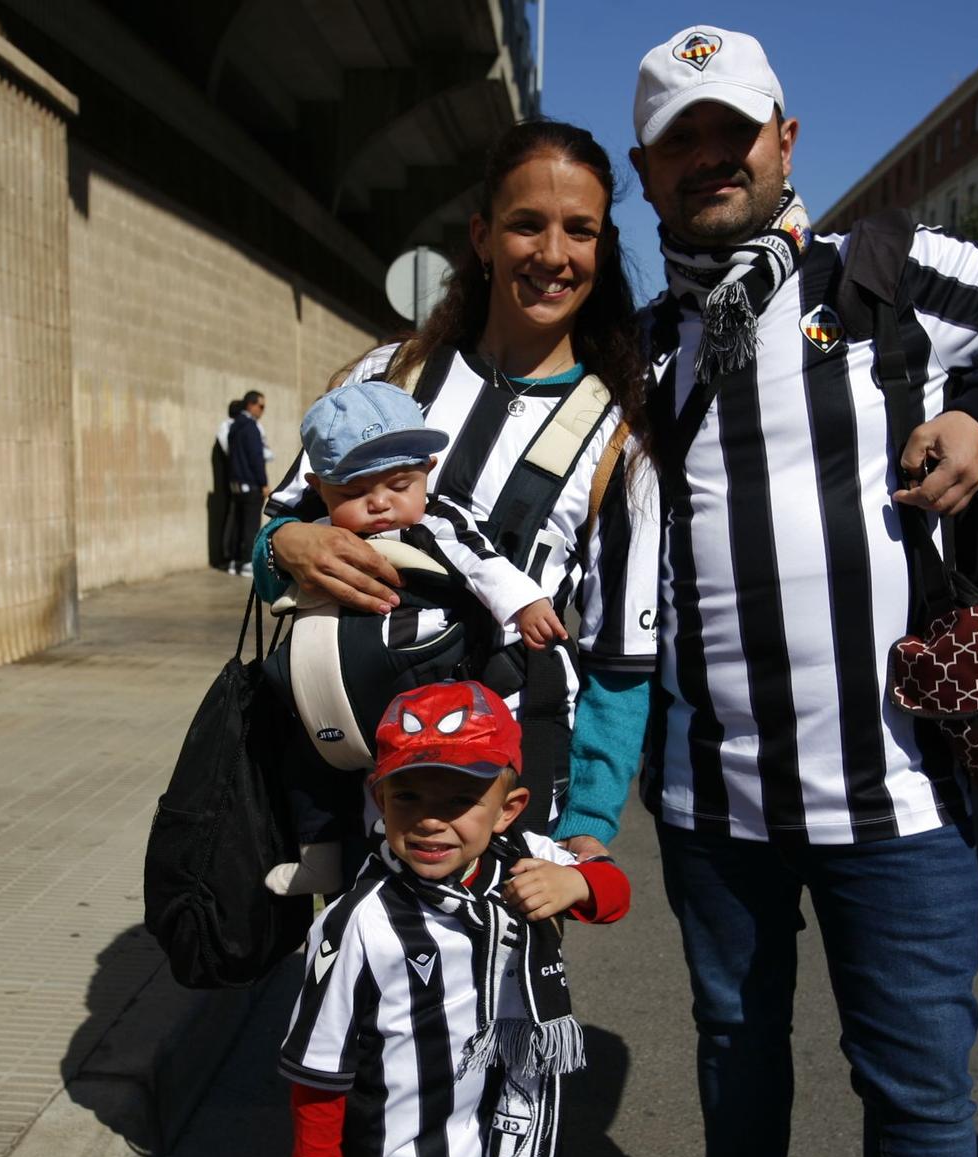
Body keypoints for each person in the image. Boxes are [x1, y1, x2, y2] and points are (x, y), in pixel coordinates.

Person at [625, 27, 978, 1157]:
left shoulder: (887, 270)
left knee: (915, 1086)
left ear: (787, 140)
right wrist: (294, 532)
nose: (711, 158)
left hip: (894, 796)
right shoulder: (646, 348)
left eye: (734, 131)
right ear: (644, 169)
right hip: (709, 793)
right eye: (682, 139)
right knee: (734, 1044)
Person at [255, 119, 660, 852]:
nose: (552, 254)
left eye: (580, 230)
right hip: (357, 781)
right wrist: (289, 543)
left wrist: (592, 826)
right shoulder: (386, 376)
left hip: (506, 803)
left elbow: (619, 659)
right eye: (526, 225)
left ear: (601, 247)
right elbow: (276, 530)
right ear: (481, 237)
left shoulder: (621, 436)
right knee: (358, 964)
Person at [280, 681, 631, 1157]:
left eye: (462, 797)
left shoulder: (524, 861)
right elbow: (319, 1060)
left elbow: (615, 895)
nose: (433, 819)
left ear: (508, 807)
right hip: (407, 1150)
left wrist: (576, 878)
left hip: (492, 1123)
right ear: (378, 798)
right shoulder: (360, 922)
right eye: (409, 795)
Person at [262, 381, 568, 897]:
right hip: (323, 696)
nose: (379, 503)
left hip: (411, 692)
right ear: (319, 487)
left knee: (395, 778)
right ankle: (319, 855)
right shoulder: (318, 535)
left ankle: (386, 857)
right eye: (354, 493)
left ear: (427, 470)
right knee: (303, 766)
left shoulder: (438, 522)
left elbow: (484, 563)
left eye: (399, 485)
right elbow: (277, 574)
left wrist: (525, 604)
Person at [224, 390, 269, 575]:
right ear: (251, 405)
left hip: (236, 484)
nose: (262, 411)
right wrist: (263, 483)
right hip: (250, 484)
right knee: (251, 523)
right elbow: (255, 457)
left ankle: (235, 561)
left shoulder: (234, 427)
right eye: (261, 406)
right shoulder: (251, 427)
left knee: (238, 523)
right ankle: (247, 562)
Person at [209, 398, 243, 569]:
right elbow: (230, 451)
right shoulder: (227, 427)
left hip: (233, 483)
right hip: (227, 485)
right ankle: (226, 555)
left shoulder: (234, 426)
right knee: (228, 519)